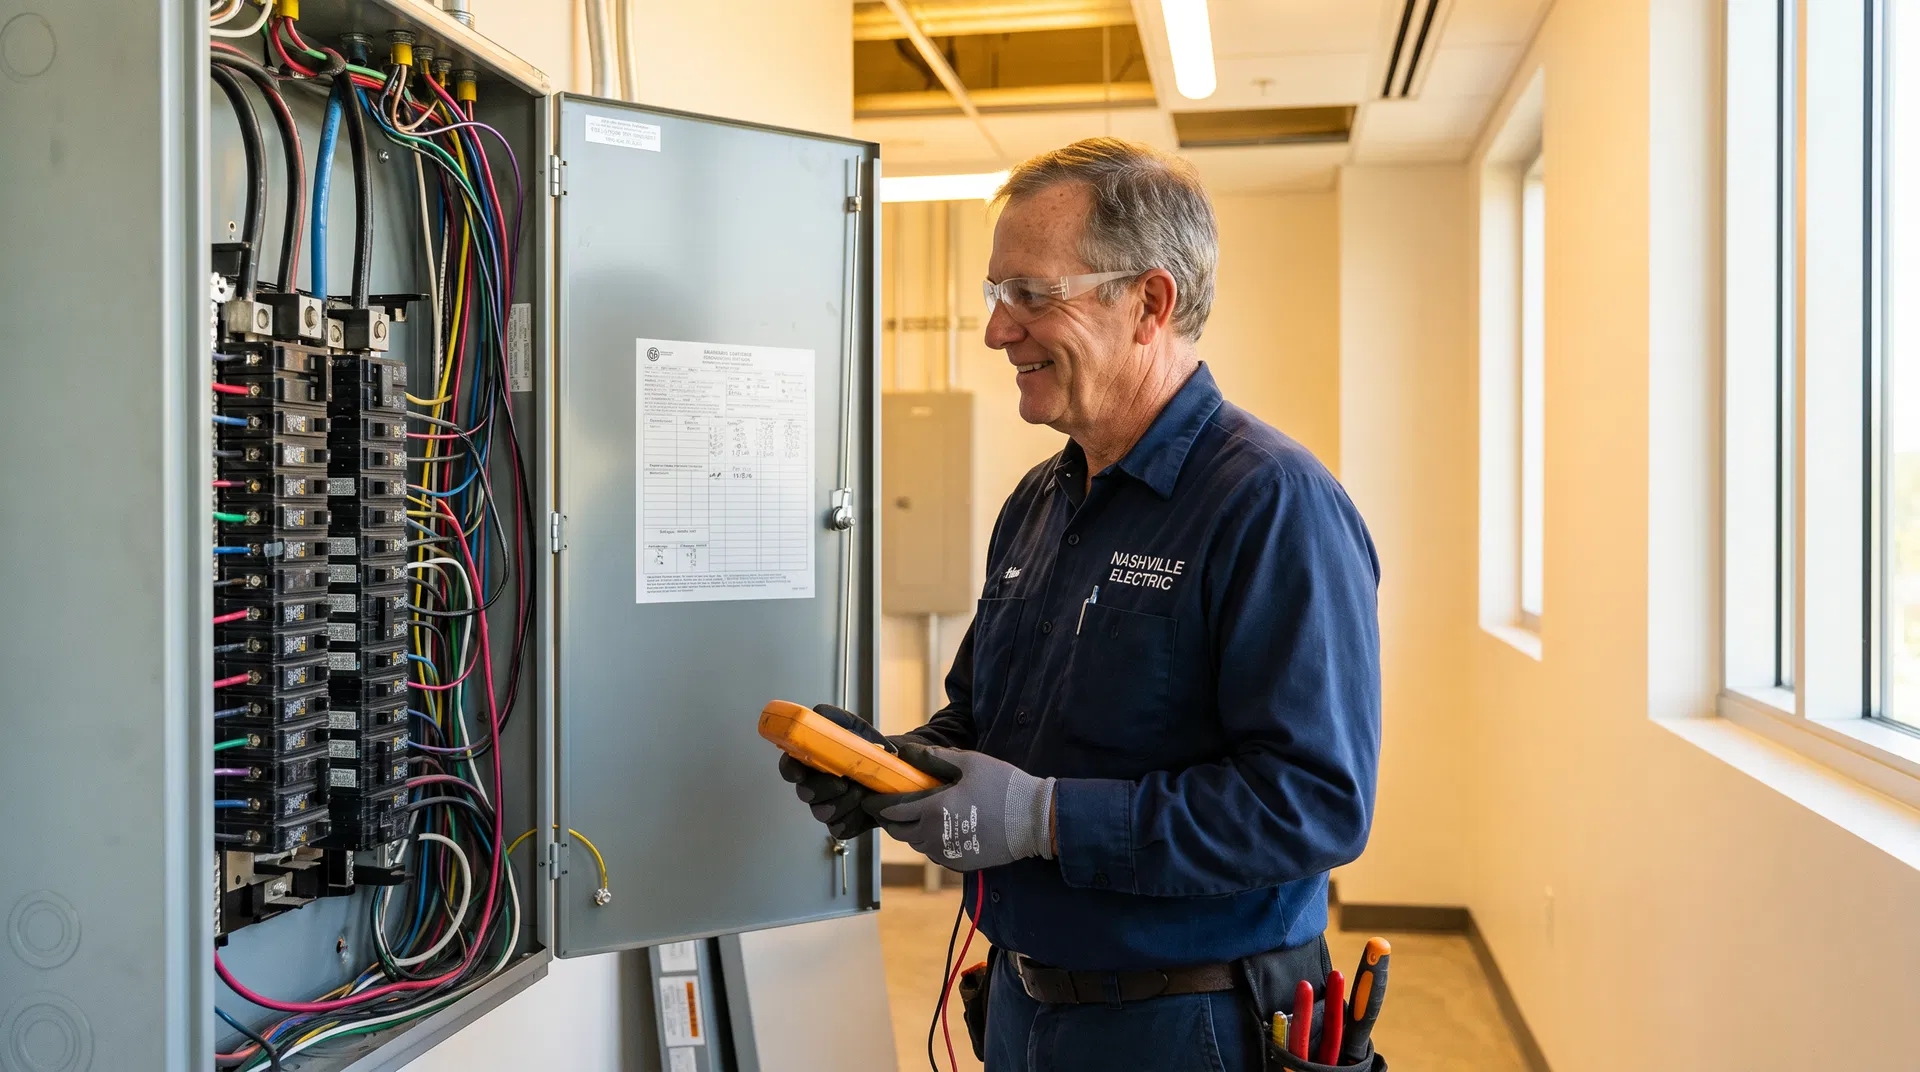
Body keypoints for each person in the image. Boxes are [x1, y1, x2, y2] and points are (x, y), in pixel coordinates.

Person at [781, 137, 1381, 1071]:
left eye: (1032, 294)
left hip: (1190, 1027)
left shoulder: (1271, 504)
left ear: (1149, 302)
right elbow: (987, 723)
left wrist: (1045, 819)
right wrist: (892, 769)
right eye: (995, 295)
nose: (995, 331)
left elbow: (1313, 806)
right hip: (1024, 1005)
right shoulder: (1040, 501)